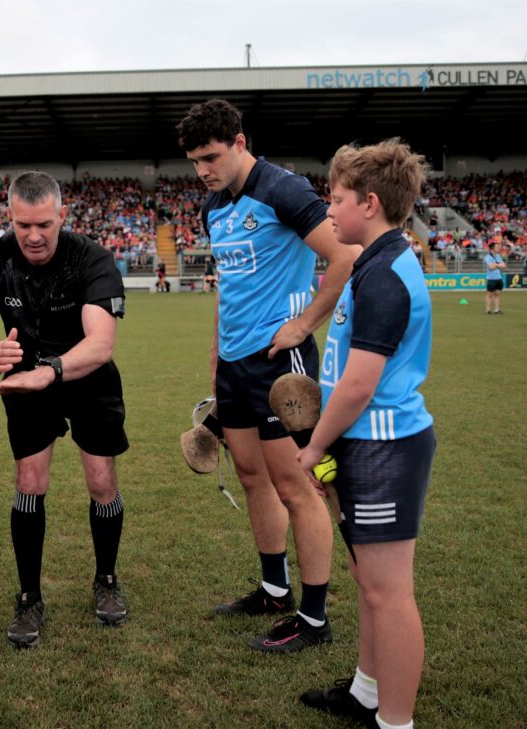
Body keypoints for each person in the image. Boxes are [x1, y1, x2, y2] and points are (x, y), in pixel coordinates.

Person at [177, 99, 357, 653]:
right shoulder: (213, 206)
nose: (203, 170)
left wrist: (304, 324)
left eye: (211, 157)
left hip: (281, 364)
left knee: (297, 487)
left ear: (239, 141)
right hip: (234, 366)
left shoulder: (283, 189)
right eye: (194, 161)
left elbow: (346, 256)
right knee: (254, 479)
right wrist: (215, 353)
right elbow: (227, 287)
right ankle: (275, 590)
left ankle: (315, 617)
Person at [0, 170, 129, 649]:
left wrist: (48, 369)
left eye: (44, 225)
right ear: (9, 217)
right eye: (22, 225)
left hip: (85, 378)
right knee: (29, 482)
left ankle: (106, 581)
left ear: (62, 217)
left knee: (100, 480)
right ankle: (29, 596)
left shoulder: (91, 258)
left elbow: (100, 344)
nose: (32, 236)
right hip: (28, 385)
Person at [297, 139, 436, 729]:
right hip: (368, 445)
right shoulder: (375, 262)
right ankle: (366, 693)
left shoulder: (384, 276)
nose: (329, 211)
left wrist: (315, 446)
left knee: (388, 592)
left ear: (370, 203)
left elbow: (358, 385)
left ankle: (394, 721)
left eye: (337, 199)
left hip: (383, 448)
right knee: (370, 583)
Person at [482, 241, 506, 315]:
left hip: (498, 278)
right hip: (491, 278)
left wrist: (496, 264)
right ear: (492, 248)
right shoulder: (487, 257)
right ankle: (488, 310)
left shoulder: (498, 256)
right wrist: (499, 265)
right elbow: (490, 267)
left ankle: (496, 310)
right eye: (497, 247)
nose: (498, 248)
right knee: (489, 294)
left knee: (497, 294)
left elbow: (504, 266)